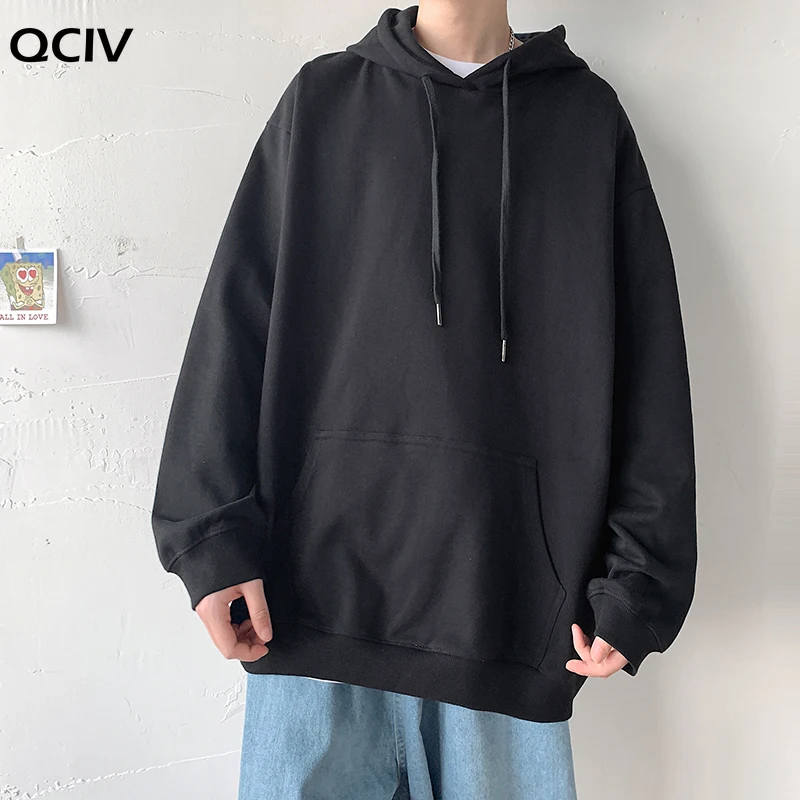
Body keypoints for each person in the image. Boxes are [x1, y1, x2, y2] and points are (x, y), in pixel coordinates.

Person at [150, 2, 698, 798]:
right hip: (311, 617)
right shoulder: (324, 100)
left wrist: (640, 579)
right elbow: (234, 325)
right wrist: (210, 541)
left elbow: (648, 363)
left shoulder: (587, 120)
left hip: (507, 622)